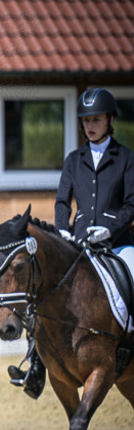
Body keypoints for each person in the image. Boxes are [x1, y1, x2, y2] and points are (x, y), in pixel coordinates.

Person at [13, 87, 134, 399]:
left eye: (96, 119)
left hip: (118, 243)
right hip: (78, 242)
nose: (90, 125)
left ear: (110, 120)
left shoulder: (126, 159)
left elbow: (132, 205)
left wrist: (110, 230)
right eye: (85, 120)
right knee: (45, 293)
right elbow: (62, 201)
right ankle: (35, 365)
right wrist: (61, 230)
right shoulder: (73, 160)